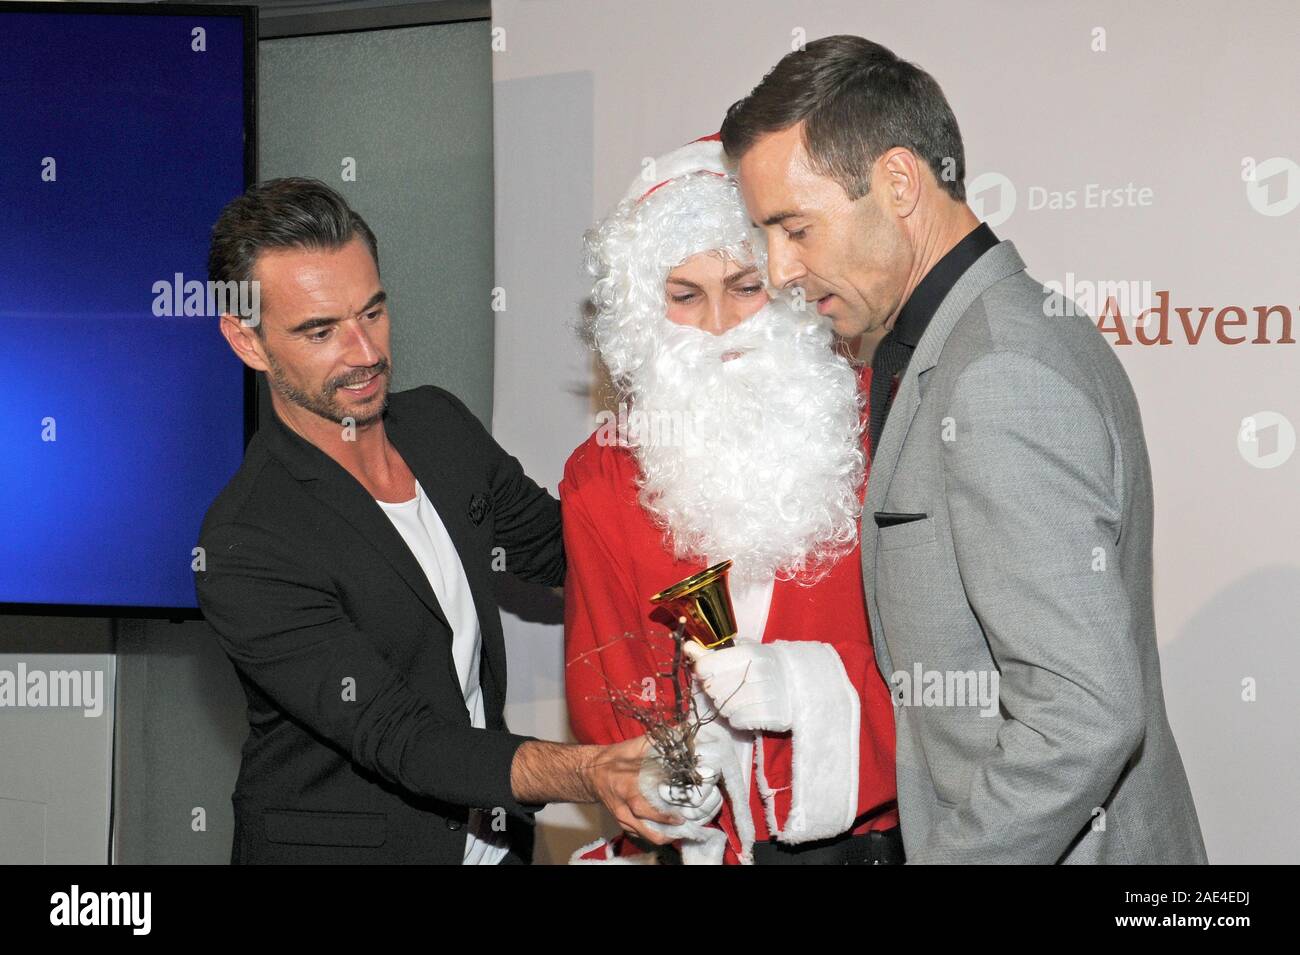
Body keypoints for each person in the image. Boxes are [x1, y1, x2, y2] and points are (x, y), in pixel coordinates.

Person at [722, 35, 1209, 863]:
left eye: (796, 228)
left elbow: (1082, 712)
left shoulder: (1000, 372)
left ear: (901, 182)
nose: (778, 268)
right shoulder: (972, 339)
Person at [195, 177, 701, 864]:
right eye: (320, 331)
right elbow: (405, 737)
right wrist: (589, 769)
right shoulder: (246, 542)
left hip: (490, 845)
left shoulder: (437, 427)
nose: (366, 351)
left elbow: (570, 551)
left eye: (372, 312)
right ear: (247, 341)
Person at [563, 137, 901, 865]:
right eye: (685, 296)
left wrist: (804, 690)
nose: (721, 322)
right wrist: (668, 774)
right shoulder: (602, 476)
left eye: (746, 286)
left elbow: (958, 679)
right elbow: (606, 690)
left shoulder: (887, 429)